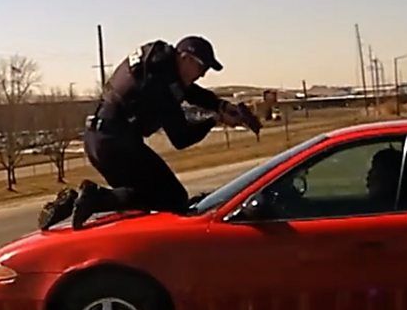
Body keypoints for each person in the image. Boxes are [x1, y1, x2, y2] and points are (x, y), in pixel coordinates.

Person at [38, 36, 261, 230]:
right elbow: (181, 138)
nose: (202, 75)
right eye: (202, 68)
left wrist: (220, 105)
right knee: (173, 198)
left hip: (100, 138)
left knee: (140, 198)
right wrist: (215, 119)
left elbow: (189, 91)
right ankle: (93, 197)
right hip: (116, 142)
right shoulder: (160, 84)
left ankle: (76, 201)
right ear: (185, 58)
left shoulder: (160, 65)